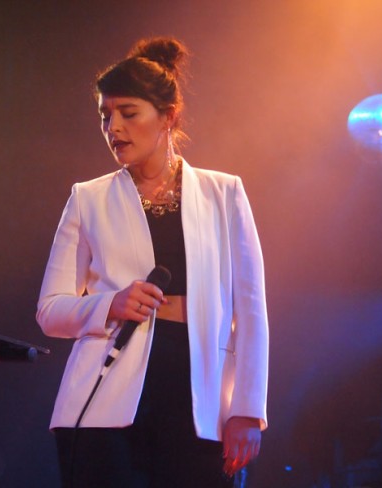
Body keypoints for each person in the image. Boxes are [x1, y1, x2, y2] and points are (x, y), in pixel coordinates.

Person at [36, 37, 269, 488]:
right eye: (105, 116)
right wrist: (110, 304)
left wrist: (247, 409)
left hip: (198, 394)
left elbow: (252, 310)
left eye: (128, 113)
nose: (114, 128)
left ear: (169, 117)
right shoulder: (88, 198)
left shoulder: (224, 193)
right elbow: (50, 310)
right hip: (102, 399)